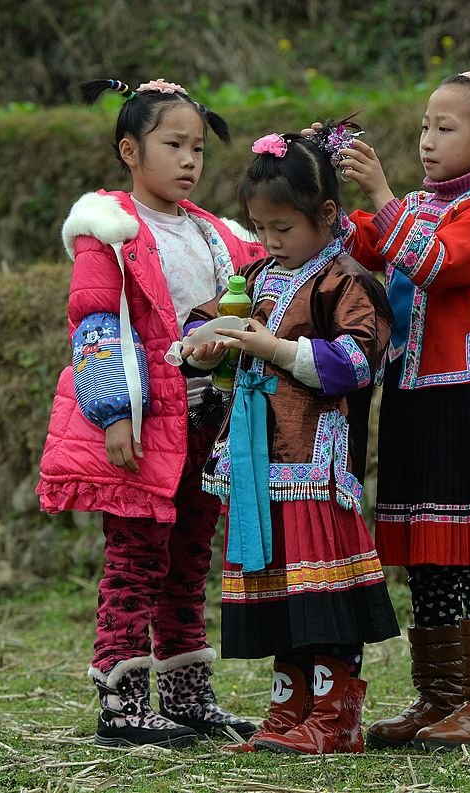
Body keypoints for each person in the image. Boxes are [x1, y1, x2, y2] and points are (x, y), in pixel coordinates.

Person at [334, 62, 470, 751]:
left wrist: (379, 190)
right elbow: (364, 241)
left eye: (445, 127)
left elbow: (428, 262)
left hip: (466, 400)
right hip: (409, 395)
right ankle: (440, 695)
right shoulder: (423, 207)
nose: (428, 140)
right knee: (425, 551)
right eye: (424, 126)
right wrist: (321, 184)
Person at [36, 77, 264, 748]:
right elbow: (96, 324)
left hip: (208, 421)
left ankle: (186, 693)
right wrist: (112, 412)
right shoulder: (110, 230)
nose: (190, 160)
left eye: (198, 147)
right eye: (174, 145)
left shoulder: (219, 234)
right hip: (144, 423)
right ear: (130, 150)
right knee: (137, 557)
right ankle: (121, 696)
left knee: (190, 558)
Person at [185, 124, 400, 755]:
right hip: (257, 460)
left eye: (284, 229)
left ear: (327, 215)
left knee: (320, 586)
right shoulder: (255, 273)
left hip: (314, 460)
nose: (270, 242)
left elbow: (356, 360)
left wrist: (271, 347)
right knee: (279, 583)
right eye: (261, 228)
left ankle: (336, 715)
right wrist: (201, 347)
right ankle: (290, 707)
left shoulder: (346, 282)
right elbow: (202, 325)